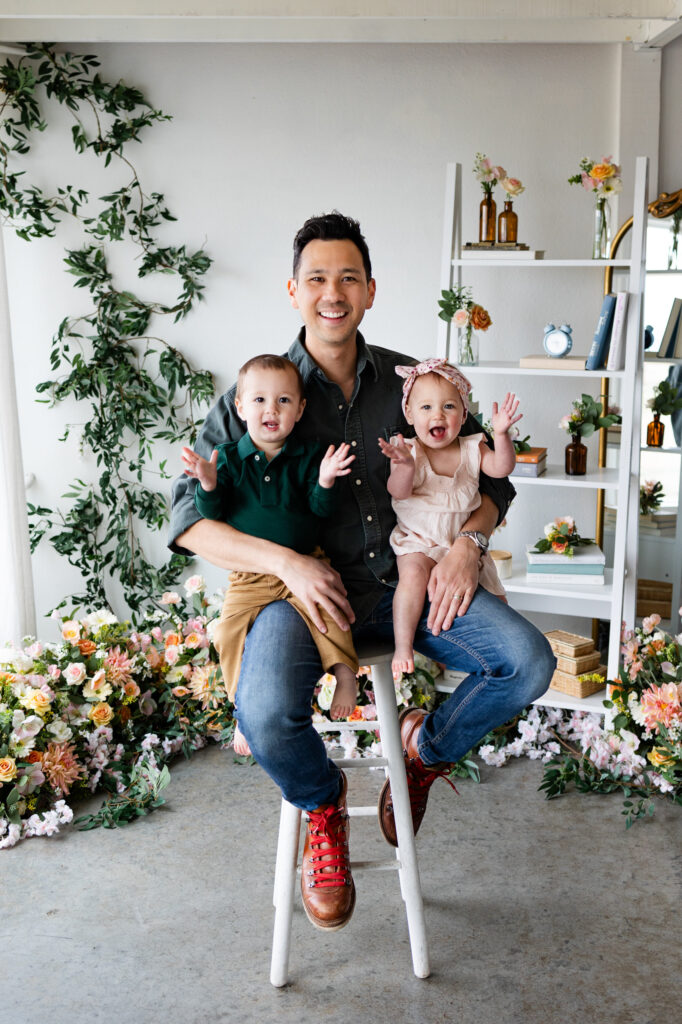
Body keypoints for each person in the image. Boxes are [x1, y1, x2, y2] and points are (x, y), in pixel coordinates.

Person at [169, 211, 556, 933]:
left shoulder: (416, 381)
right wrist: (287, 562)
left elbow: (497, 474)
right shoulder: (257, 391)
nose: (333, 292)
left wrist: (471, 542)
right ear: (294, 290)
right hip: (303, 597)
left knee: (528, 664)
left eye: (349, 277)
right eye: (317, 278)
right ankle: (322, 803)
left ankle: (422, 749)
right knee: (262, 714)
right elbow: (190, 522)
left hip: (413, 583)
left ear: (371, 290)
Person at [180, 354, 360, 757]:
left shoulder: (310, 455)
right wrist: (208, 485)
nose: (271, 410)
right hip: (251, 574)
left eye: (283, 401)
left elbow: (319, 510)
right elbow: (212, 514)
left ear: (300, 410)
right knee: (227, 633)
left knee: (330, 612)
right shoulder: (226, 458)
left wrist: (326, 480)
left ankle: (346, 674)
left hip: (307, 560)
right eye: (259, 400)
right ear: (240, 407)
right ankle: (242, 710)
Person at [378, 358, 521, 680]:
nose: (438, 415)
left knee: (497, 598)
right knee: (412, 580)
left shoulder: (472, 448)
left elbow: (501, 469)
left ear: (464, 413)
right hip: (419, 540)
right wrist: (402, 467)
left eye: (448, 406)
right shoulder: (409, 451)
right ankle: (403, 646)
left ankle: (483, 665)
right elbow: (398, 493)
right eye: (426, 407)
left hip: (460, 541)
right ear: (410, 415)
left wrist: (501, 435)